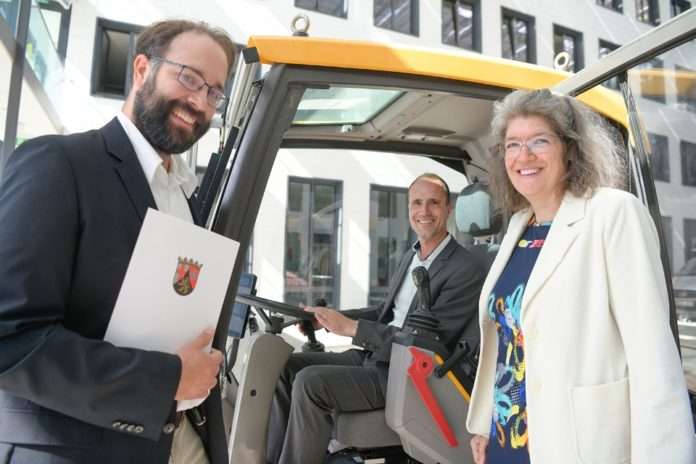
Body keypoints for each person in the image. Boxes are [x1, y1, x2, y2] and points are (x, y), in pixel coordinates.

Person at [0, 20, 237, 464]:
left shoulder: (183, 195)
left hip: (171, 438)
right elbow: (10, 340)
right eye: (189, 78)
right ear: (142, 69)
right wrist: (166, 379)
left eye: (214, 93)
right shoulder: (58, 164)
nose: (200, 102)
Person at [466, 88, 696, 464]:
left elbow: (653, 358)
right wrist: (486, 424)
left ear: (570, 149)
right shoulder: (519, 226)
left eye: (539, 141)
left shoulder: (613, 213)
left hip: (578, 444)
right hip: (508, 440)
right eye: (512, 145)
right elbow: (509, 342)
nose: (524, 156)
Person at [266, 173, 486, 464]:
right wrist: (330, 319)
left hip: (408, 375)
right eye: (417, 203)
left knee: (310, 383)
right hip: (377, 357)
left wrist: (352, 329)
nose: (424, 211)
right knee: (285, 367)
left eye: (434, 203)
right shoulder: (412, 256)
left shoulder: (465, 269)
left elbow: (425, 344)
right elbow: (386, 312)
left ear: (448, 209)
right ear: (408, 208)